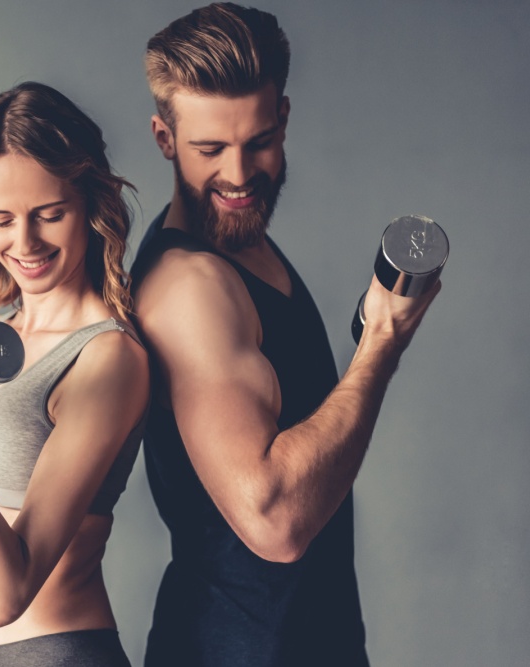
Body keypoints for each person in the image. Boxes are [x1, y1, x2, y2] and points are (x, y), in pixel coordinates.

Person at [128, 4, 440, 666]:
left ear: (285, 119)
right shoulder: (188, 286)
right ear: (164, 138)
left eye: (259, 141)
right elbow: (275, 519)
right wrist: (380, 346)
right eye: (209, 150)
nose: (240, 175)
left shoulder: (245, 249)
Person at [0, 82, 149, 667]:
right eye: (1, 219)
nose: (25, 242)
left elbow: (2, 597)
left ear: (90, 204)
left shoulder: (107, 358)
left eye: (49, 214)